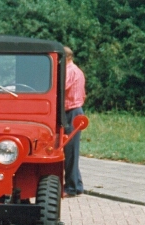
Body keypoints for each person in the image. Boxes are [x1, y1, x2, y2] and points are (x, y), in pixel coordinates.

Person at [63, 46, 86, 197]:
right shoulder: (76, 70)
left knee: (70, 150)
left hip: (72, 111)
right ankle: (76, 184)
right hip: (74, 110)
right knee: (71, 150)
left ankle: (71, 187)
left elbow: (61, 88)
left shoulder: (70, 71)